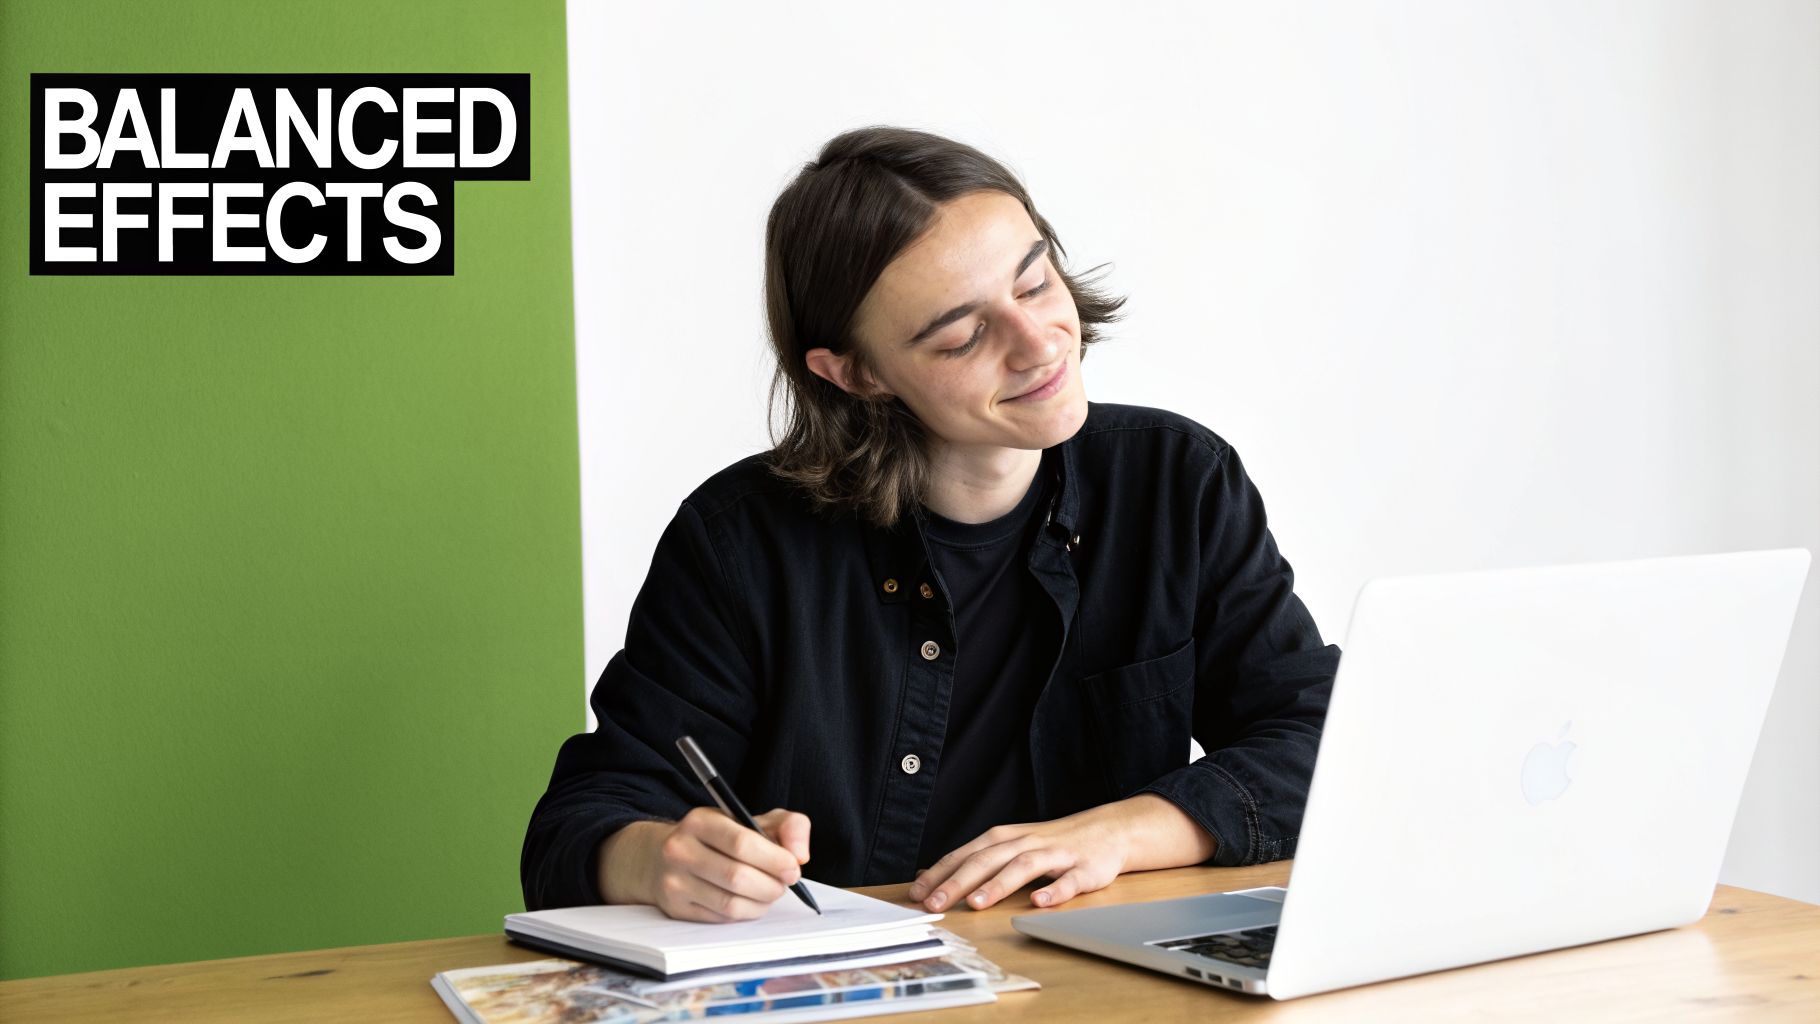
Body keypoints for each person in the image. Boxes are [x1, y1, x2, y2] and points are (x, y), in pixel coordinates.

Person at [521, 126, 1340, 924]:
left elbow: (1328, 743)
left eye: (1033, 284)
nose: (1038, 344)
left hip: (1099, 985)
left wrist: (1125, 830)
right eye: (962, 334)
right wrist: (660, 860)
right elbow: (581, 822)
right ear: (855, 373)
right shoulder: (741, 542)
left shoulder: (1176, 481)